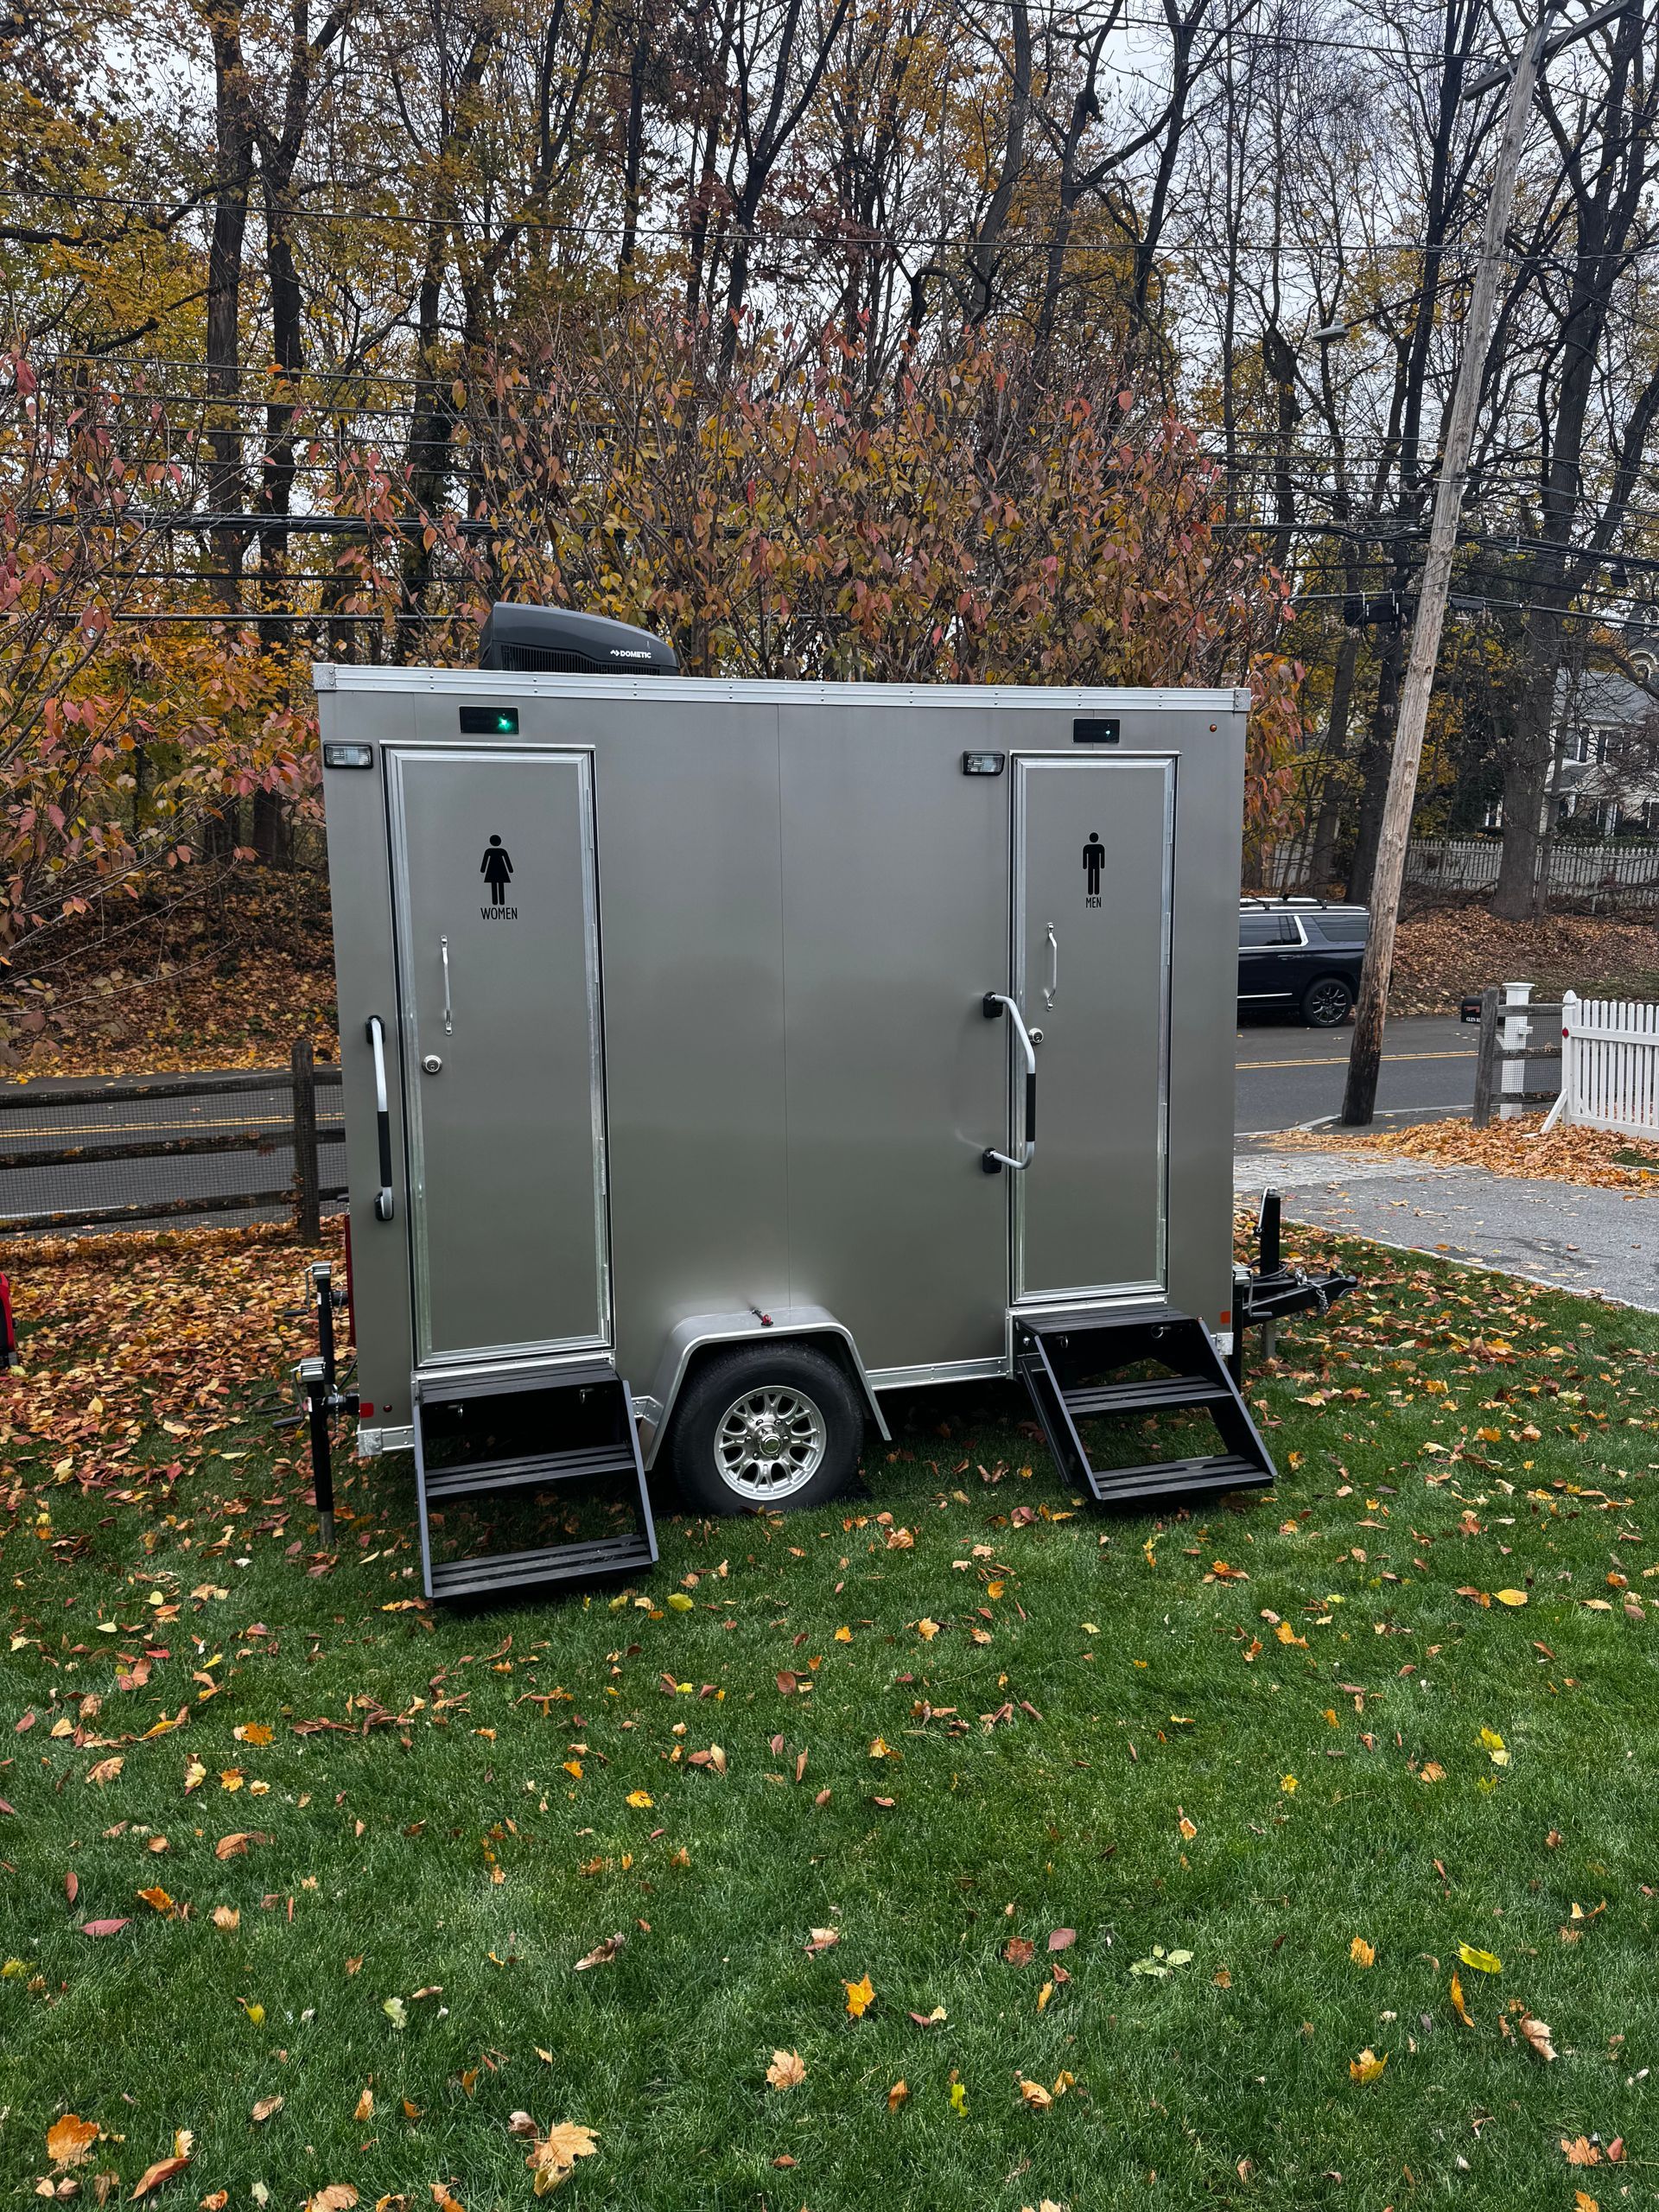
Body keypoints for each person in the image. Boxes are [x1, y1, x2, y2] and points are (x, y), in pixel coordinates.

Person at [480, 835, 514, 907]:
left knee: (495, 885)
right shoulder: (501, 851)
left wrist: (483, 870)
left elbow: (485, 861)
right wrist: (510, 870)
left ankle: (497, 901)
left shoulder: (490, 851)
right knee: (498, 885)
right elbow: (507, 861)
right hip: (499, 870)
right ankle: (499, 902)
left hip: (494, 869)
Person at [1083, 831, 1104, 898]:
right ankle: (1093, 891)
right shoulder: (1100, 847)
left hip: (1092, 865)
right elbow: (1084, 857)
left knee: (1093, 877)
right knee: (1093, 877)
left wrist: (1085, 866)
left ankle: (1093, 891)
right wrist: (1102, 865)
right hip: (1093, 865)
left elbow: (1102, 856)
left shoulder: (1087, 847)